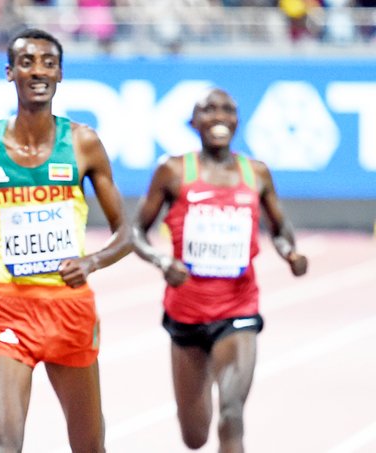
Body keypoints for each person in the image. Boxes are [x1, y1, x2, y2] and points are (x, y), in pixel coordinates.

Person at [0, 28, 131, 452]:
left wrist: (93, 261)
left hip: (69, 310)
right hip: (8, 310)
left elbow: (127, 232)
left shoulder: (83, 143)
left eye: (48, 62)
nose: (38, 70)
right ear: (10, 73)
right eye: (27, 62)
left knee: (89, 447)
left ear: (60, 74)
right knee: (5, 448)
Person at [131, 88, 308, 453]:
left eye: (228, 109)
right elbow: (136, 232)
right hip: (186, 312)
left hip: (238, 310)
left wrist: (289, 251)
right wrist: (163, 262)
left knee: (232, 412)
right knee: (194, 436)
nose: (219, 116)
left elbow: (279, 226)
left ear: (237, 121)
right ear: (193, 122)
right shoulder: (173, 170)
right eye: (209, 110)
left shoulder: (255, 172)